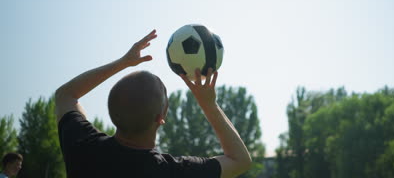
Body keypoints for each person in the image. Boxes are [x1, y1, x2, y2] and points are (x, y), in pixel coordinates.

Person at [55, 29, 251, 178]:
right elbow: (240, 160)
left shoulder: (84, 148)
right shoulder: (170, 172)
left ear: (112, 111)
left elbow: (66, 95)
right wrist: (209, 105)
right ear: (161, 118)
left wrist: (122, 63)